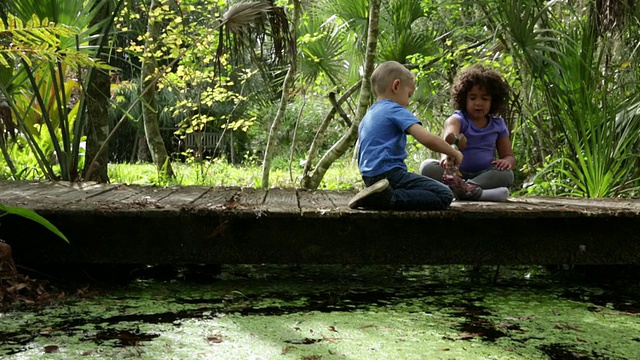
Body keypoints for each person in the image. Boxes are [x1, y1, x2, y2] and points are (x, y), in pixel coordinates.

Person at [348, 61, 464, 211]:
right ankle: (389, 198)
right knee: (444, 194)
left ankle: (379, 196)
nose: (408, 103)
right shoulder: (394, 109)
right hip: (390, 175)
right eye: (409, 94)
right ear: (396, 86)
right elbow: (426, 138)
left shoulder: (369, 115)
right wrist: (453, 152)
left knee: (421, 189)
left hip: (370, 178)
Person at [419, 64, 515, 202]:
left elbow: (508, 155)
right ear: (464, 98)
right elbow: (448, 137)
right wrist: (449, 153)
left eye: (484, 98)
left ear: (493, 100)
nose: (478, 103)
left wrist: (506, 161)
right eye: (473, 97)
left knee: (507, 175)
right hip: (455, 173)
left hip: (484, 174)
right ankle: (475, 193)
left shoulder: (498, 124)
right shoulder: (458, 118)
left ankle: (464, 189)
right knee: (427, 167)